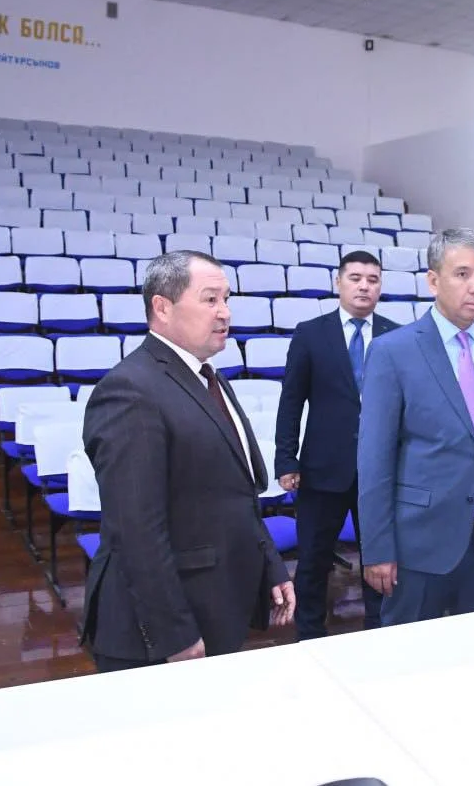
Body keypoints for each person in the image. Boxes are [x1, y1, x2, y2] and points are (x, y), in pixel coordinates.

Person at [81, 251, 295, 671]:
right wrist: (173, 632)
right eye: (210, 299)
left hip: (215, 603)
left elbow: (239, 492)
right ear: (162, 307)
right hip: (158, 632)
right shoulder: (129, 390)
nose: (225, 312)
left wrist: (271, 565)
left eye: (227, 299)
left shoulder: (208, 378)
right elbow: (136, 529)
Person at [357, 228, 474, 625]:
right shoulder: (392, 352)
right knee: (408, 653)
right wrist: (377, 548)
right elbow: (374, 461)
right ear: (433, 281)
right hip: (418, 544)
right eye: (462, 274)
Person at [276, 250, 399, 639]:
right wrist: (286, 459)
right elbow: (292, 400)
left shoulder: (398, 336)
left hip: (381, 472)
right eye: (355, 278)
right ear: (338, 282)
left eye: (373, 280)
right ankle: (310, 634)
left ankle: (379, 631)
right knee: (313, 559)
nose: (364, 286)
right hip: (322, 469)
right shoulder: (311, 333)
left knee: (380, 556)